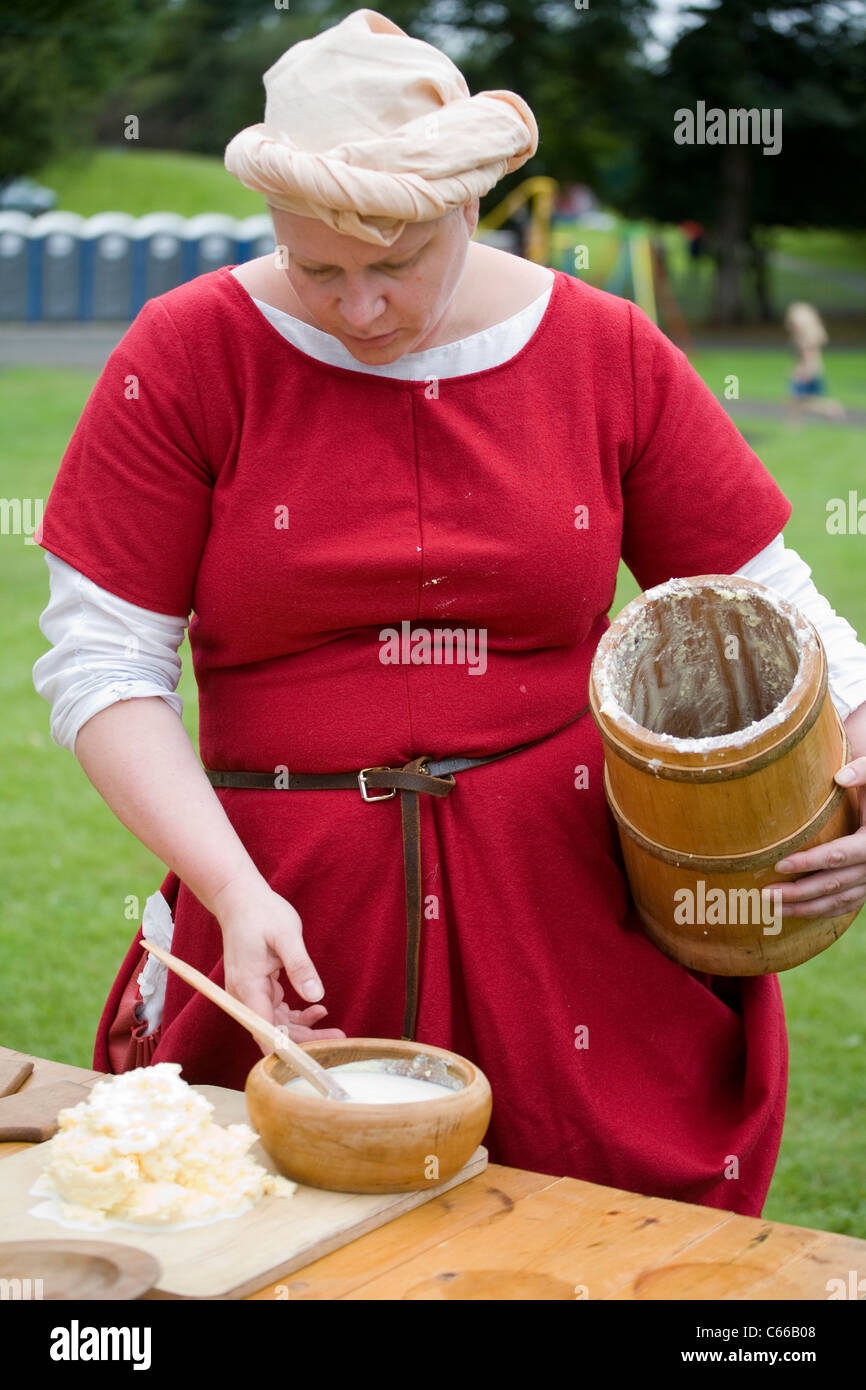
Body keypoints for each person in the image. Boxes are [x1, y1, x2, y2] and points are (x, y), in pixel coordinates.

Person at [32, 9, 866, 1217]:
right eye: (319, 269)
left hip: (573, 916)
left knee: (598, 1256)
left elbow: (768, 601)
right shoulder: (191, 351)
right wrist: (228, 889)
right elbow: (104, 661)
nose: (360, 307)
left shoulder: (604, 351)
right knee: (267, 1244)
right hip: (284, 918)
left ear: (470, 207)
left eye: (397, 261)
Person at [785, 301, 846, 425]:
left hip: (806, 372)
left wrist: (806, 372)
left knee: (801, 400)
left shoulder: (805, 339)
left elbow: (809, 358)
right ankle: (793, 424)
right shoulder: (809, 335)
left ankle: (831, 409)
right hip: (809, 370)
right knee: (797, 400)